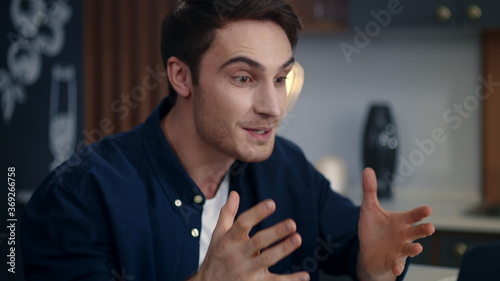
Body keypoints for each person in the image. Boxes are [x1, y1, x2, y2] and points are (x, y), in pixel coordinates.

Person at [20, 0, 435, 280]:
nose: (273, 106)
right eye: (243, 78)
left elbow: (353, 249)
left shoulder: (286, 168)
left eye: (280, 78)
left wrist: (371, 264)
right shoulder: (80, 195)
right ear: (181, 76)